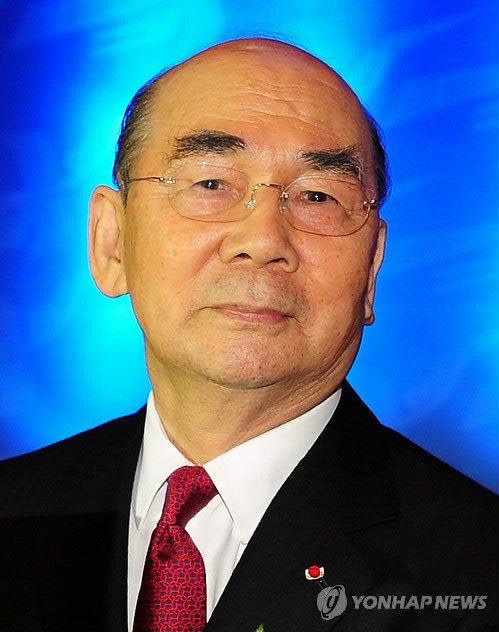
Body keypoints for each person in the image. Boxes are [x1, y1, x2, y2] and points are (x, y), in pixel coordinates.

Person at [0, 38, 496, 632]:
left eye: (317, 196)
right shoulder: (15, 506)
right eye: (211, 184)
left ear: (370, 271)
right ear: (112, 242)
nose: (262, 241)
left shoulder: (477, 571)